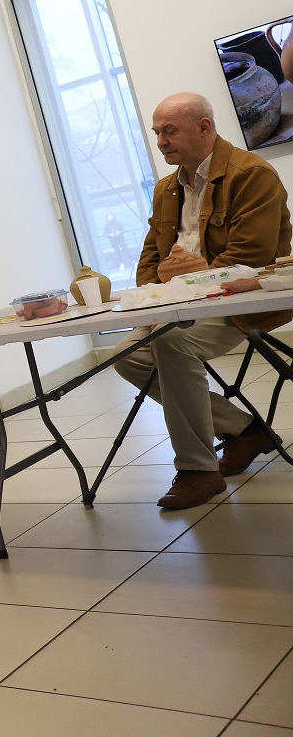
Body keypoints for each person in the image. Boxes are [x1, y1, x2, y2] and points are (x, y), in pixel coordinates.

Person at [111, 92, 290, 508]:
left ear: (204, 127)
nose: (160, 141)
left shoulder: (251, 174)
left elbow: (252, 257)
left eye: (169, 131)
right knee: (128, 355)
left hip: (240, 301)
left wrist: (188, 282)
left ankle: (198, 469)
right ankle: (246, 431)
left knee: (170, 341)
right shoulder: (165, 189)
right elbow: (149, 261)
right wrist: (158, 300)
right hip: (179, 306)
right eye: (157, 132)